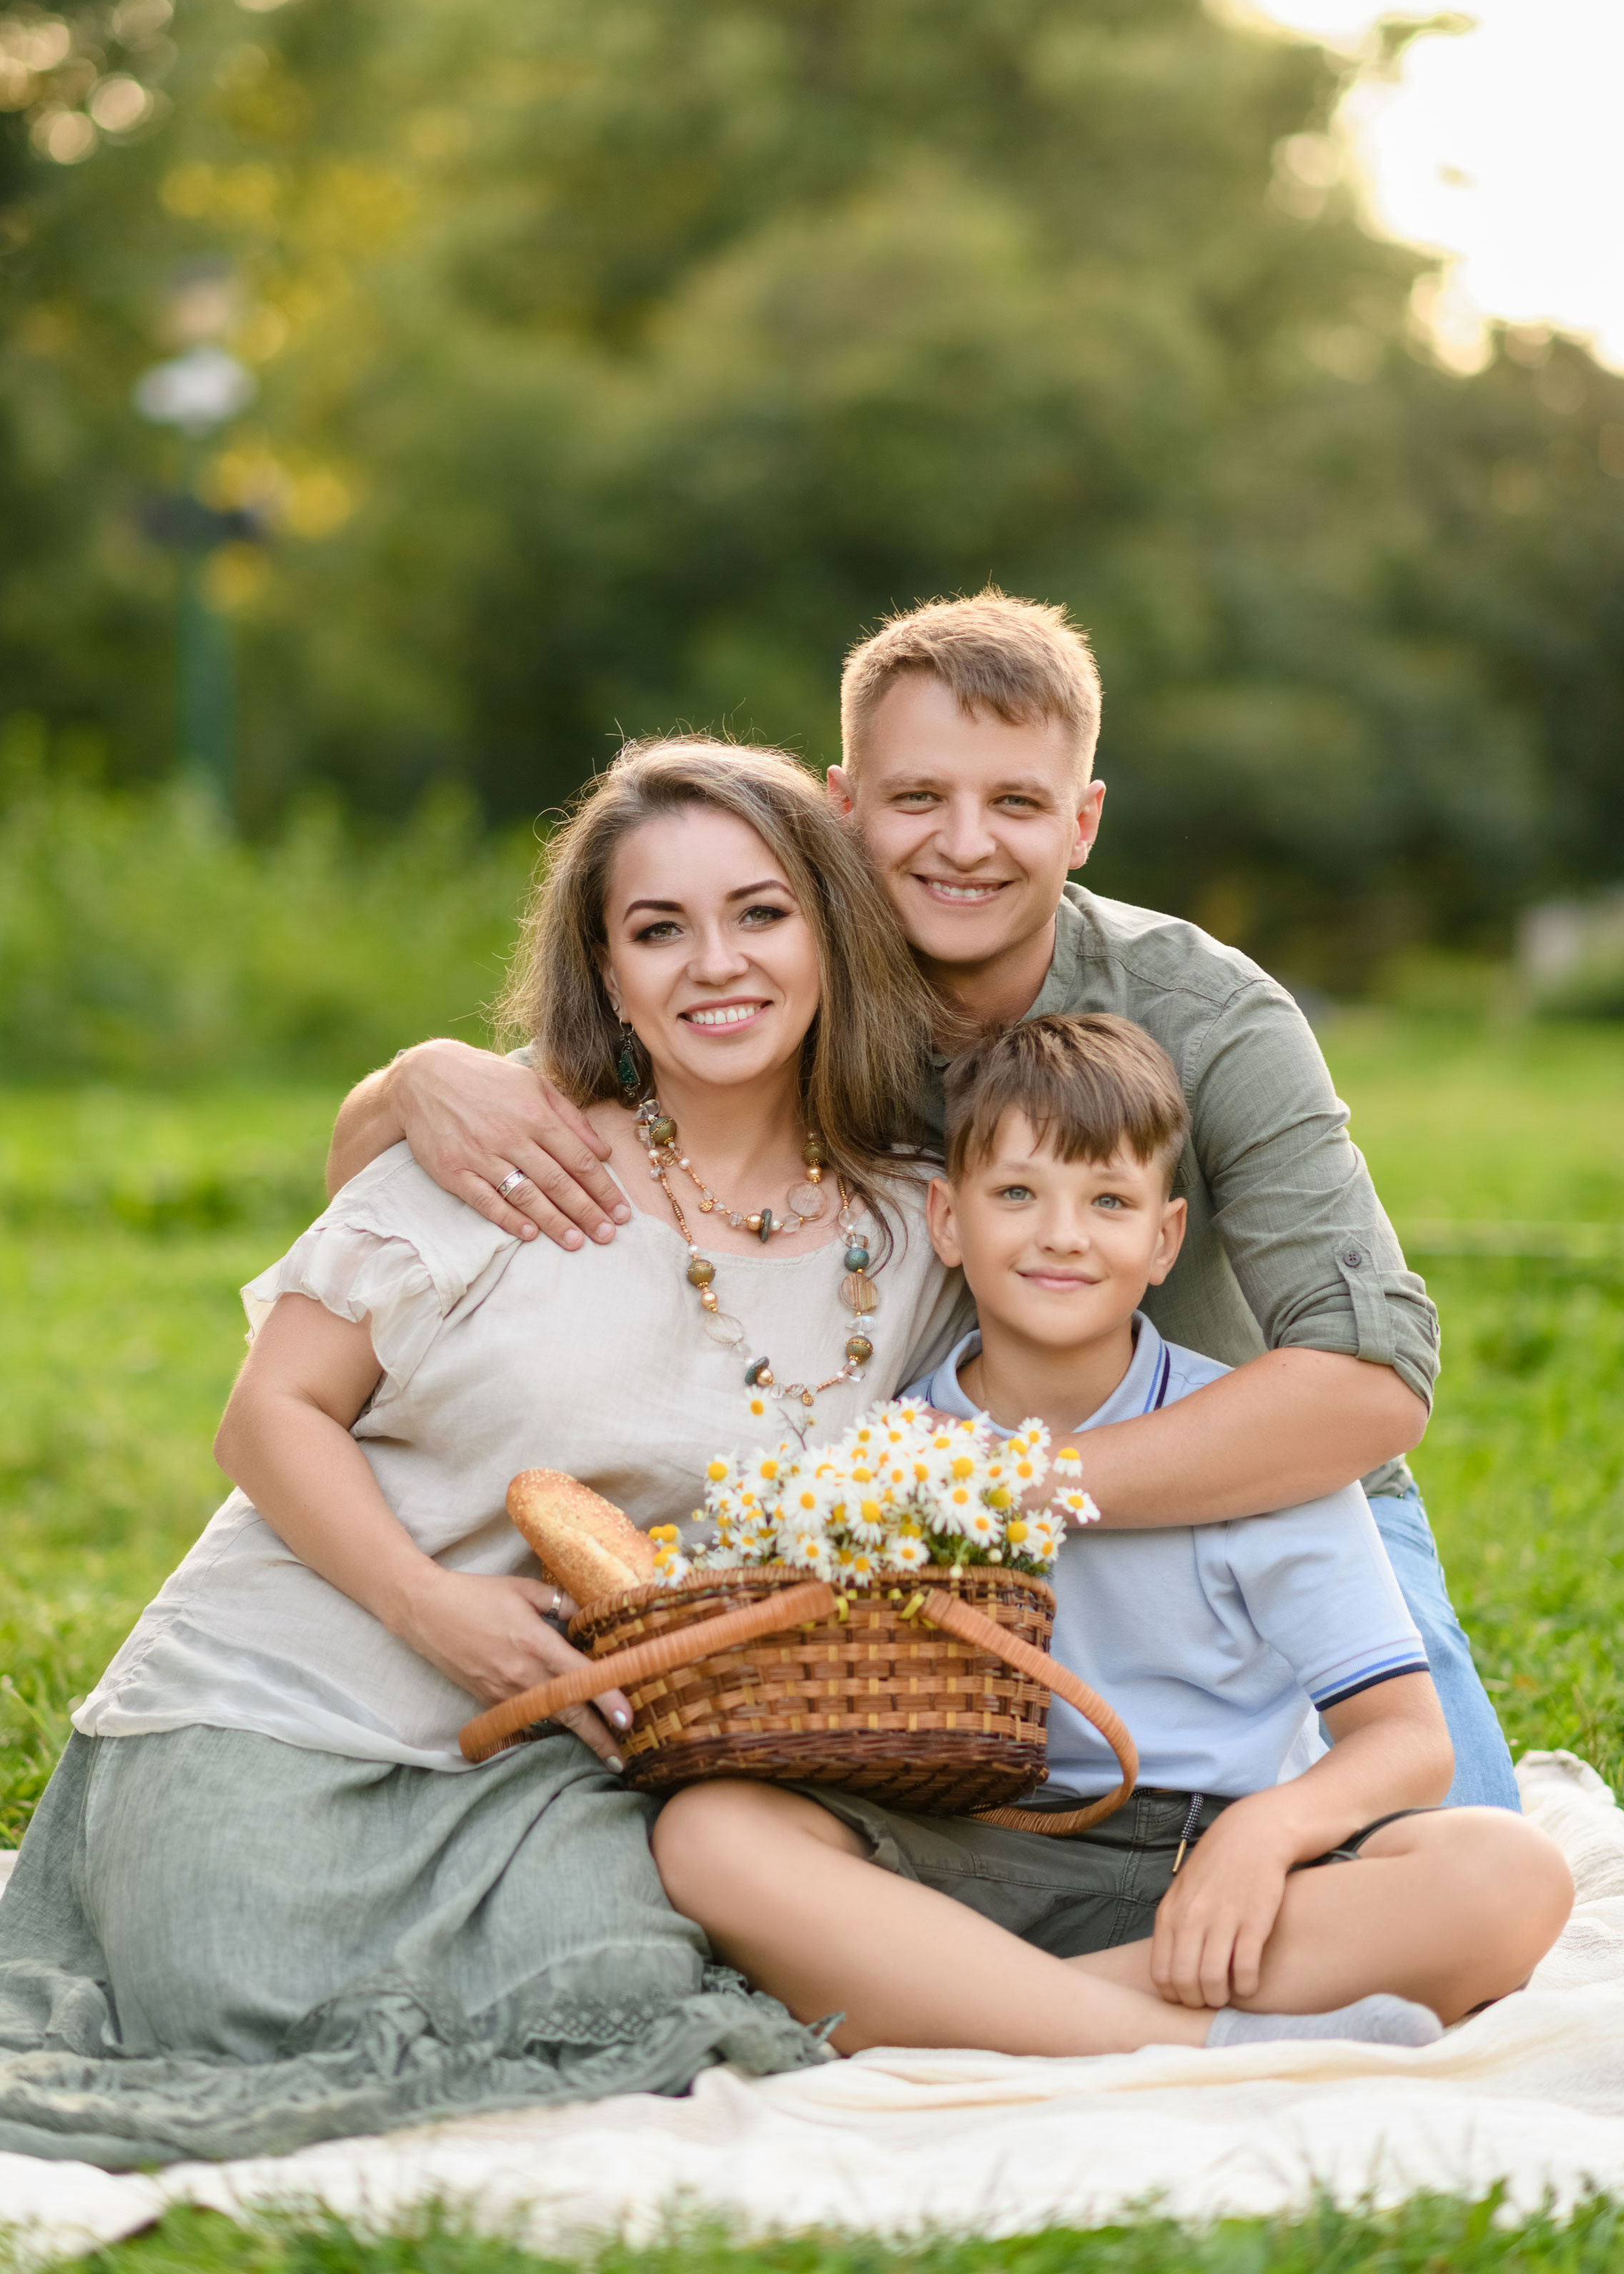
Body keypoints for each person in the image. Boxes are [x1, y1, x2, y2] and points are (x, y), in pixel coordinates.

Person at [329, 592, 1519, 1810]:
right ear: (842, 807)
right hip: (921, 1562)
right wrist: (408, 1082)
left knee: (1459, 1863)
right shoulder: (773, 979)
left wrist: (1013, 1486)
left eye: (1015, 801)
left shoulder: (1211, 1018)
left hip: (1245, 1506)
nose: (965, 844)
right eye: (917, 799)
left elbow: (1371, 1382)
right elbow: (534, 1113)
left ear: (1085, 820)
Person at [0, 739, 971, 2168]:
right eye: (658, 928)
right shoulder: (503, 1143)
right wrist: (429, 1602)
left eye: (759, 913)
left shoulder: (911, 1226)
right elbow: (267, 1417)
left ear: (832, 926)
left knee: (614, 1994)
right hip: (281, 1710)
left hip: (562, 1762)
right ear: (605, 966)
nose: (716, 964)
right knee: (238, 1999)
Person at [651, 1014, 1571, 2058]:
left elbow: (1407, 1739)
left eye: (1108, 1202)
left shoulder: (1241, 1445)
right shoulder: (893, 1449)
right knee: (710, 1831)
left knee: (1511, 1876)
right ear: (947, 1221)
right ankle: (1187, 2040)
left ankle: (959, 2005)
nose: (1062, 1235)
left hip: (1205, 1867)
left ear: (1163, 1238)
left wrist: (1267, 1838)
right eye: (1016, 1195)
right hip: (977, 1842)